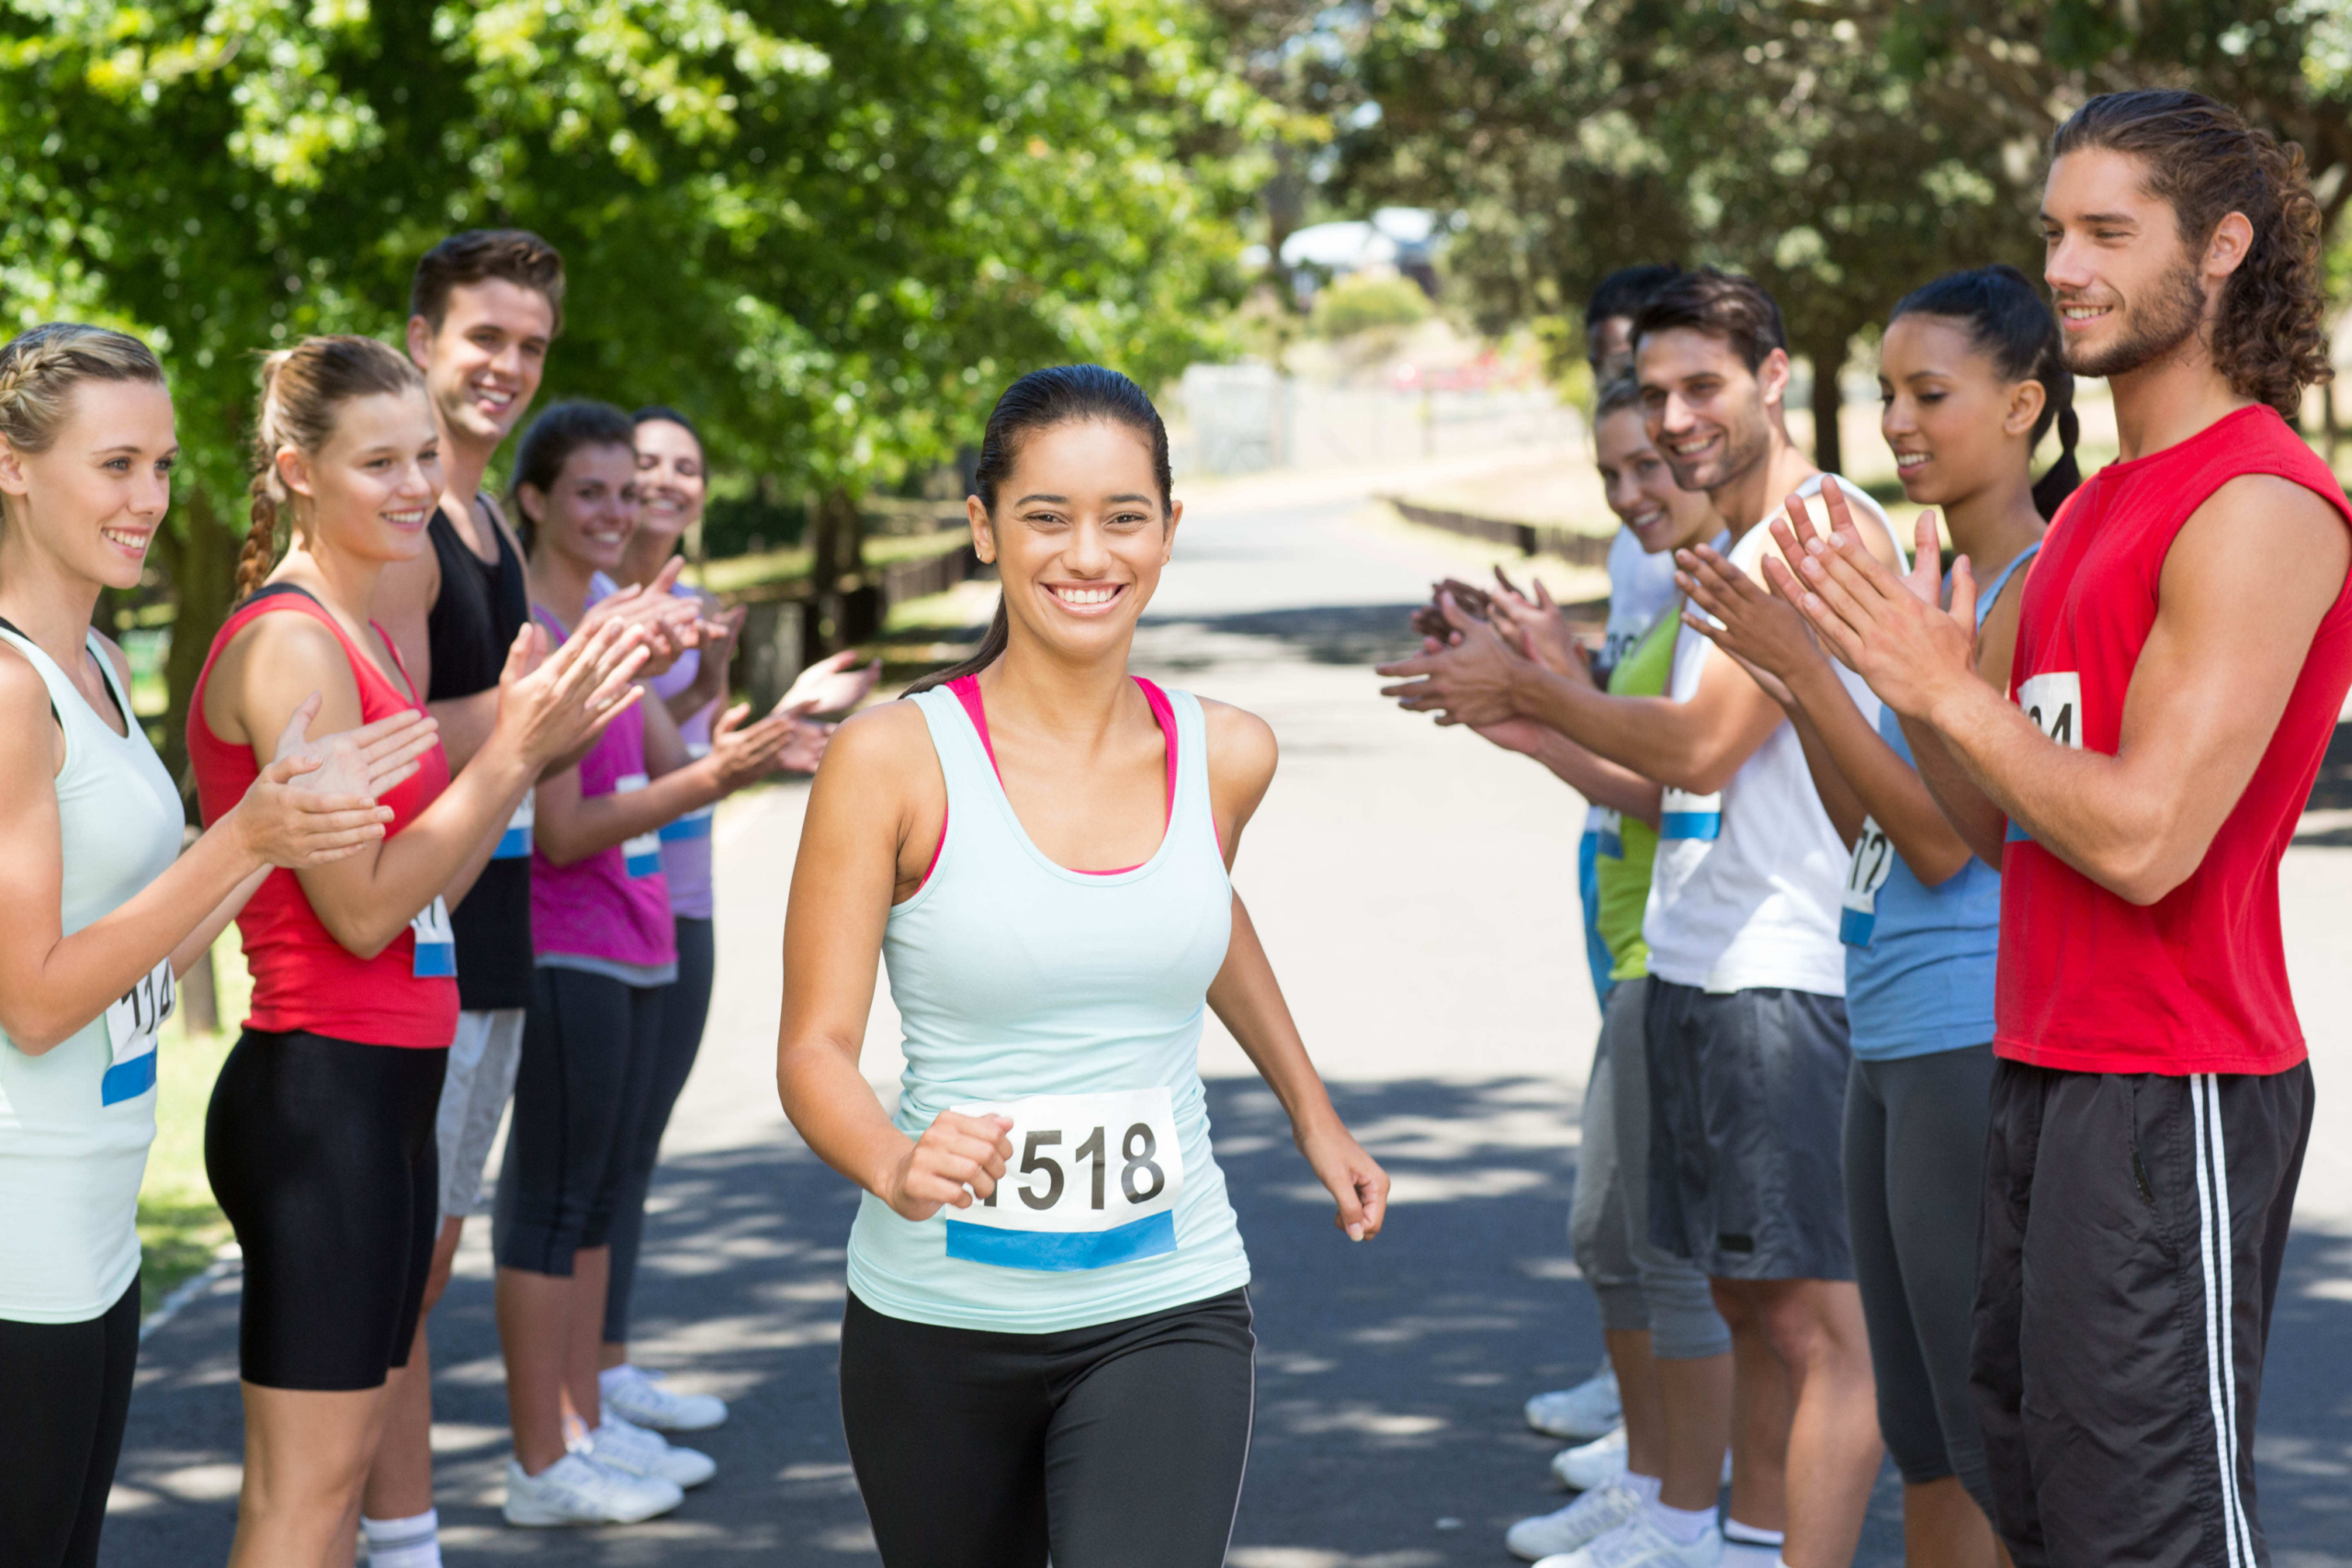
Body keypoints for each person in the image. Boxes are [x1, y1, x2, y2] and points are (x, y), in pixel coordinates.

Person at [1780, 89, 2350, 1567]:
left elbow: (2149, 836)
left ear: (2222, 247)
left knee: (2153, 1530)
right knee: (2038, 1504)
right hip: (2041, 1062)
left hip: (2176, 1086)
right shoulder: (2091, 515)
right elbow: (1972, 816)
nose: (2069, 267)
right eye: (2054, 233)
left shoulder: (2260, 503)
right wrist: (1878, 665)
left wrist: (1932, 685)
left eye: (2110, 230)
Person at [775, 365, 1390, 1567]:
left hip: (1170, 1301)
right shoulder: (894, 759)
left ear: (1167, 528)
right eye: (1045, 515)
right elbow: (811, 1048)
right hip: (939, 1318)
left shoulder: (1228, 752)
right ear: (982, 527)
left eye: (1123, 515)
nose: (1086, 553)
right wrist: (893, 1160)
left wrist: (1314, 1113)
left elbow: (1197, 910)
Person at [1379, 269, 1903, 1568]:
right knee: (1740, 1298)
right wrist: (1517, 705)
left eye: (1701, 387)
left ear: (1775, 377)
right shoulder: (1726, 538)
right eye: (1654, 389)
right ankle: (1723, 1536)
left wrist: (1535, 688)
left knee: (1815, 1323)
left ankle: (1753, 1544)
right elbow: (1666, 778)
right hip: (1697, 955)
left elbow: (1707, 744)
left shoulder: (1814, 526)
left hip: (1786, 974)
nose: (1670, 418)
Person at [189, 334, 647, 1566]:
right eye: (377, 461)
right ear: (295, 470)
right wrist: (513, 750)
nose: (412, 486)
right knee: (303, 1499)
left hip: (385, 1085)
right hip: (320, 1092)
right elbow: (363, 910)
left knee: (329, 1495)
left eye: (424, 457)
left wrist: (527, 736)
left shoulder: (365, 628)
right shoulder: (291, 641)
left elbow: (427, 872)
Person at [0, 324, 437, 1568]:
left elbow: (141, 952)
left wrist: (268, 838)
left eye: (164, 464)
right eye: (116, 464)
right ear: (14, 465)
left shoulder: (90, 659)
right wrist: (243, 828)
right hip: (16, 1218)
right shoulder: (9, 684)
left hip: (98, 1210)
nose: (148, 499)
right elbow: (32, 1002)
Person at [1674, 264, 2074, 1568]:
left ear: (2024, 405)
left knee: (1977, 1438)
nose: (1898, 422)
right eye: (1887, 392)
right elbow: (1868, 825)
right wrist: (1806, 684)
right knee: (1925, 1435)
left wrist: (1807, 670)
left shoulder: (2026, 581)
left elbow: (1950, 841)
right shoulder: (1930, 567)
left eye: (1931, 394)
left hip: (1967, 1023)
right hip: (1885, 1022)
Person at [364, 230, 696, 1566]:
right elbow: (371, 729)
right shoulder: (399, 518)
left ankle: (399, 1526)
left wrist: (613, 668)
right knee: (394, 1278)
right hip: (414, 935)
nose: (507, 365)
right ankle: (395, 1535)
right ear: (423, 337)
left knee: (426, 1265)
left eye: (531, 344)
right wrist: (550, 691)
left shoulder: (488, 516)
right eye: (483, 337)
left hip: (492, 941)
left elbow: (525, 749)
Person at [494, 399, 820, 1525]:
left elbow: (679, 747)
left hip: (630, 932)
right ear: (533, 500)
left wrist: (745, 729)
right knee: (553, 1203)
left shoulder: (605, 615)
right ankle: (546, 1455)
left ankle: (585, 1422)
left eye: (622, 494)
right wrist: (725, 776)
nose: (613, 512)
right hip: (567, 939)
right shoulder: (537, 627)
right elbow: (570, 824)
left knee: (593, 1195)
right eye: (590, 492)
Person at [1466, 377, 1751, 1564]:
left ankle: (1688, 1513)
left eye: (1654, 461)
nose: (1637, 489)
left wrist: (1540, 707)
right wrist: (1553, 671)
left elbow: (1686, 775)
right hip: (1643, 934)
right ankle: (1658, 1491)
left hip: (1693, 948)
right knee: (1612, 1234)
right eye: (1613, 475)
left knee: (1672, 1255)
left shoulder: (1730, 585)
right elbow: (1635, 741)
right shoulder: (1672, 587)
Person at [587, 406, 877, 1436]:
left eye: (686, 469)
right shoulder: (594, 600)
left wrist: (730, 687)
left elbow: (695, 750)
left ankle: (607, 1368)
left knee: (635, 1146)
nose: (666, 484)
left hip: (683, 887)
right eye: (645, 466)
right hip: (603, 896)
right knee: (594, 1156)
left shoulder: (697, 601)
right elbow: (664, 761)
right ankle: (586, 1384)